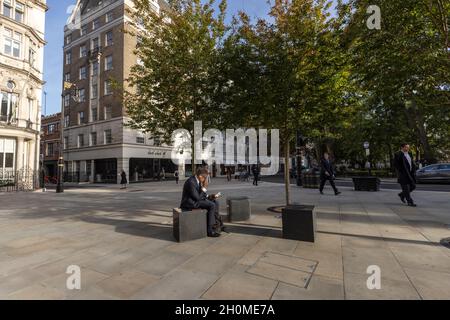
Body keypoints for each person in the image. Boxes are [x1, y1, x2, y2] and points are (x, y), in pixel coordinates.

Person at [180, 167, 224, 237]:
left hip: (195, 201)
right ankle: (210, 230)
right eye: (205, 178)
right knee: (212, 205)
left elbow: (201, 194)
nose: (205, 180)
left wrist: (210, 196)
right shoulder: (191, 182)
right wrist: (204, 188)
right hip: (190, 203)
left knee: (215, 202)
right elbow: (197, 198)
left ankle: (218, 224)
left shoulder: (197, 180)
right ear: (200, 176)